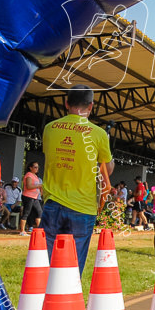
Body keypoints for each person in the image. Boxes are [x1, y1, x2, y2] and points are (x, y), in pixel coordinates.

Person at [42, 85, 113, 274]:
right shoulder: (98, 134)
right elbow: (107, 170)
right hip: (83, 207)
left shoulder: (49, 129)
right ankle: (68, 302)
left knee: (45, 264)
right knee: (72, 268)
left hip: (52, 204)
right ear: (91, 106)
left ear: (66, 103)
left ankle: (43, 302)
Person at [20, 161, 43, 235]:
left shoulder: (35, 176)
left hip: (35, 197)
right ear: (30, 168)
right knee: (26, 213)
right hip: (28, 196)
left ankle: (39, 230)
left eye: (37, 167)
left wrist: (40, 191)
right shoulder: (29, 175)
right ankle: (22, 231)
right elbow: (29, 186)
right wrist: (39, 185)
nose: (37, 169)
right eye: (35, 167)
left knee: (39, 212)